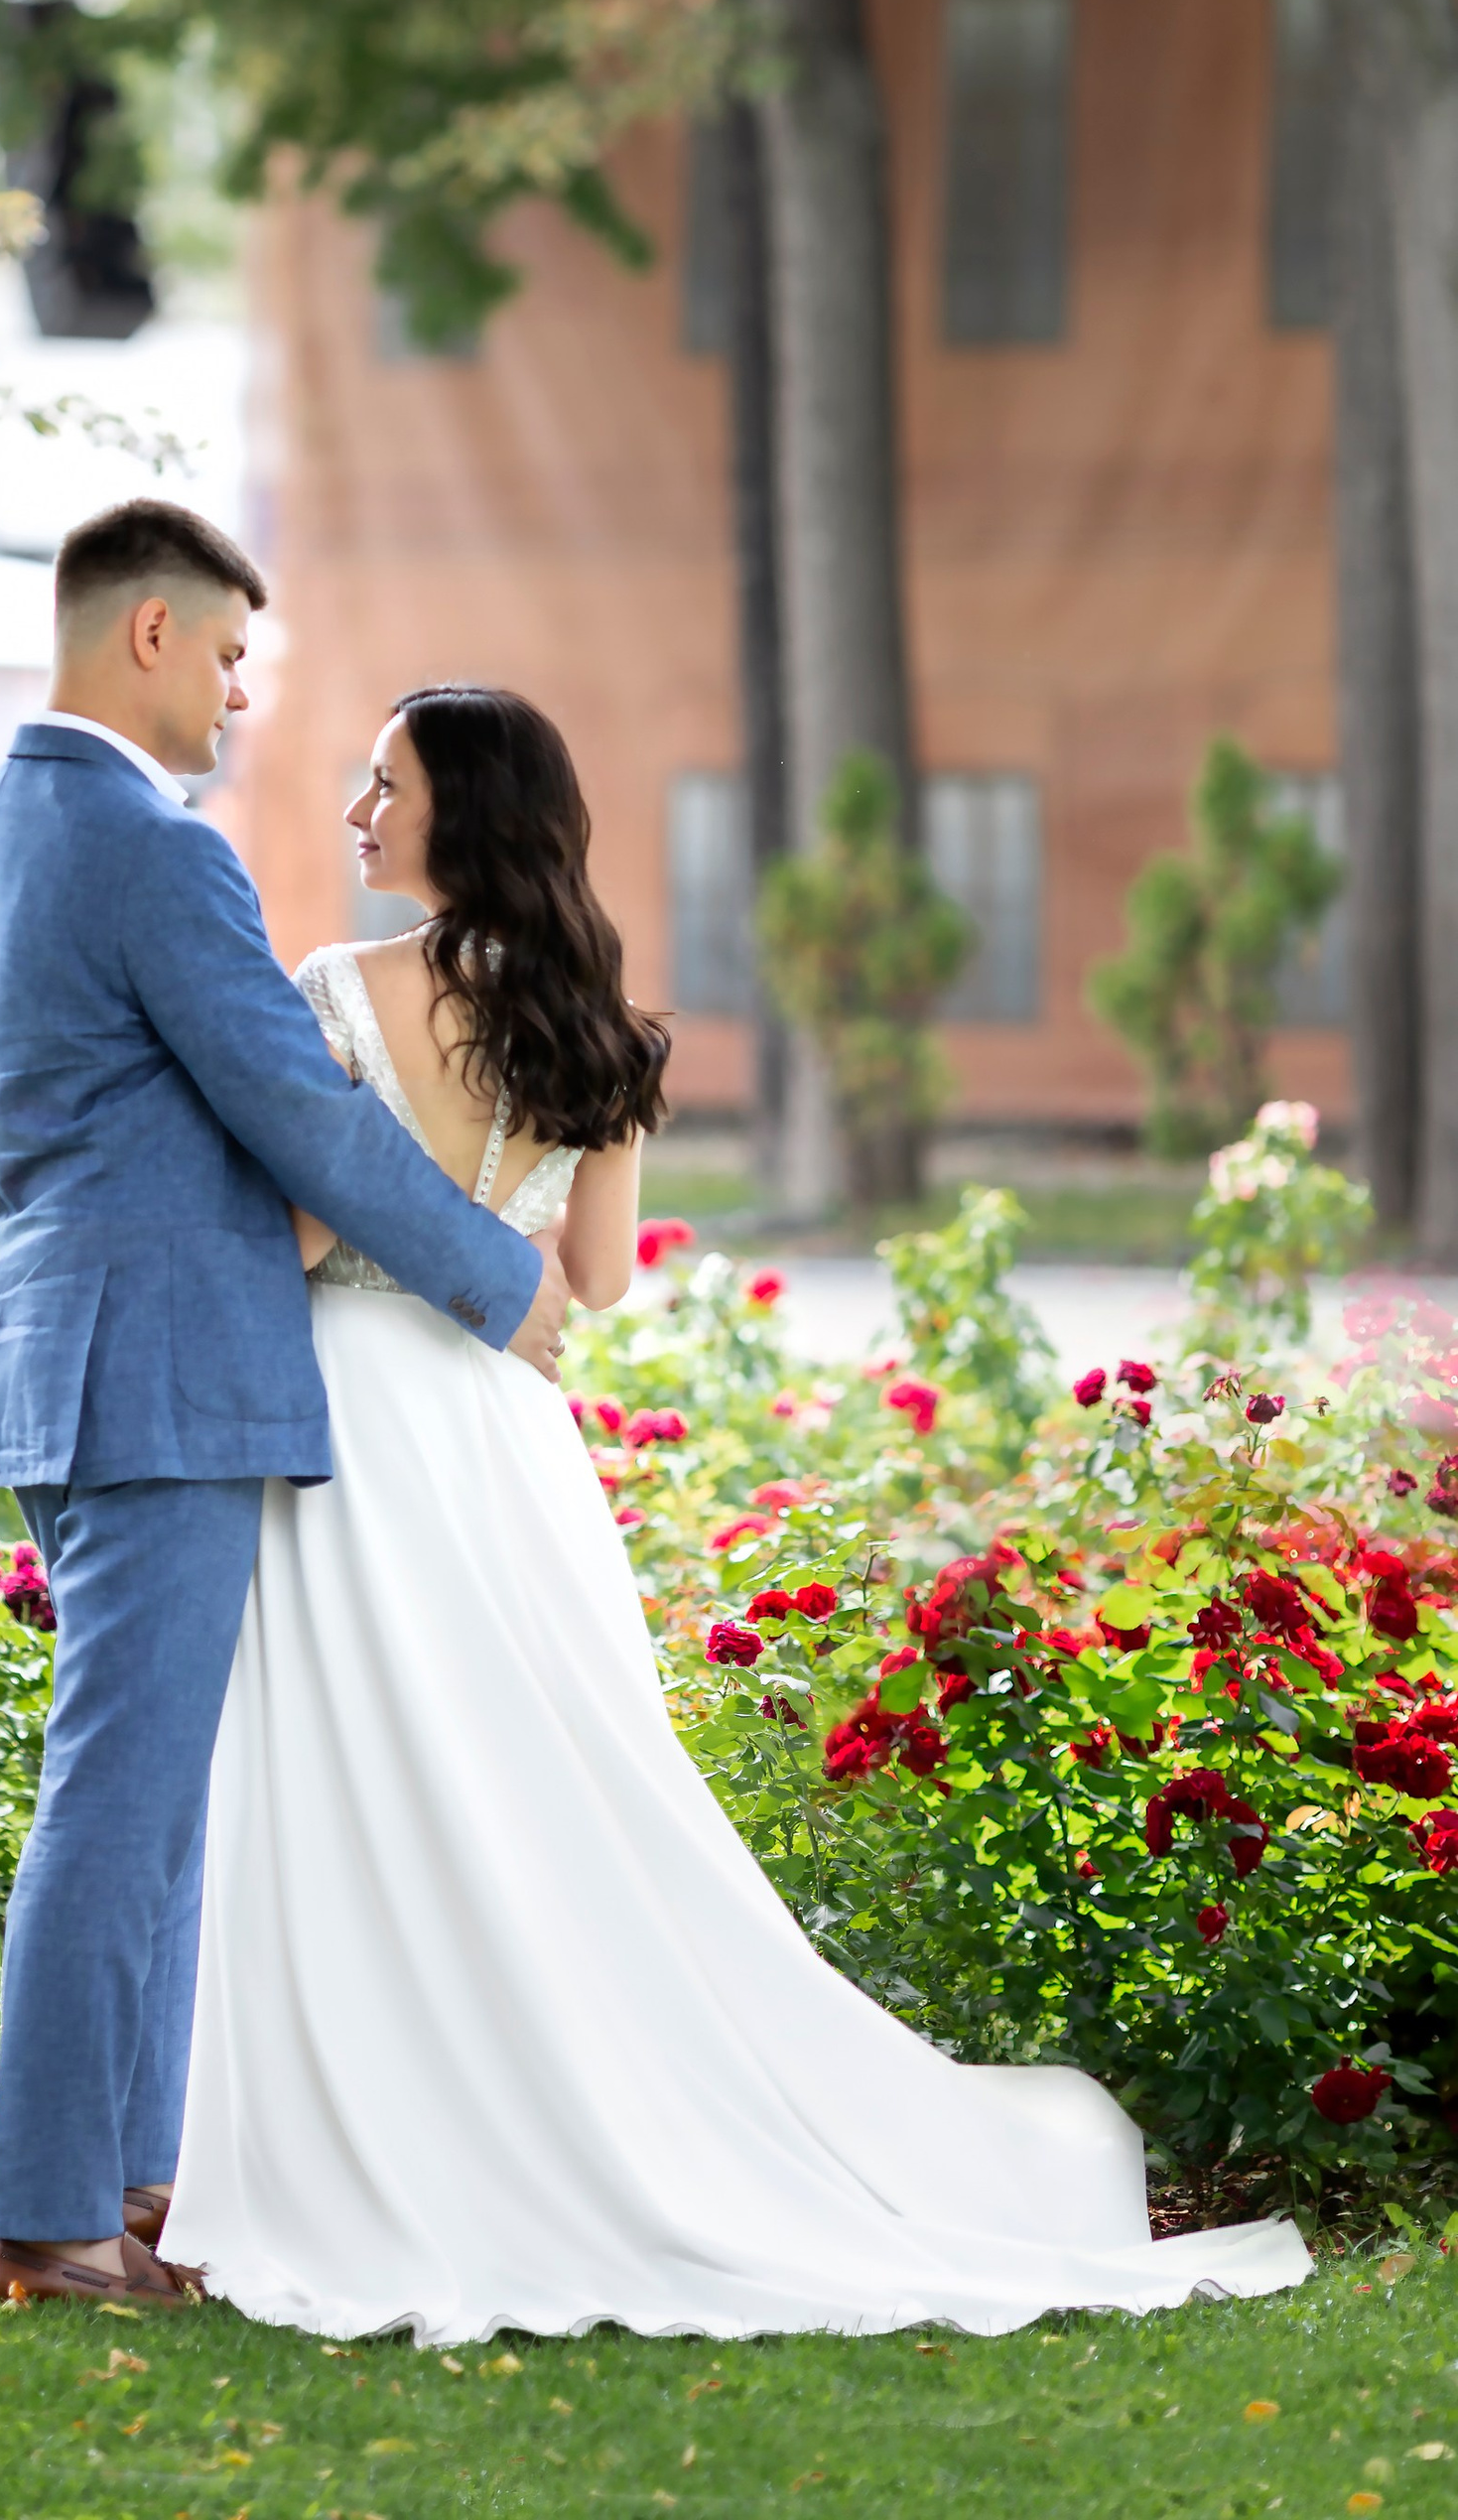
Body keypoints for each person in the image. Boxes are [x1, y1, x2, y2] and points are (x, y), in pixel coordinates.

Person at [164, 684, 1311, 2344]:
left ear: (460, 812)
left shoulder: (330, 995)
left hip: (346, 1422)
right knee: (550, 1796)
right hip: (503, 1442)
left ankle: (370, 2143)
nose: (355, 807)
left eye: (382, 782)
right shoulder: (595, 1023)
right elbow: (601, 1280)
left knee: (347, 1786)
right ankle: (571, 2107)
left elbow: (291, 1237)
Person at [0, 507, 567, 2309]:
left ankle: (136, 2187)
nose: (237, 697)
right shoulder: (152, 847)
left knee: (161, 1793)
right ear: (145, 635)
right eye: (223, 661)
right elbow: (299, 1110)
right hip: (167, 1370)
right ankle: (53, 2218)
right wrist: (500, 1285)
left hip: (59, 1354)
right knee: (124, 1797)